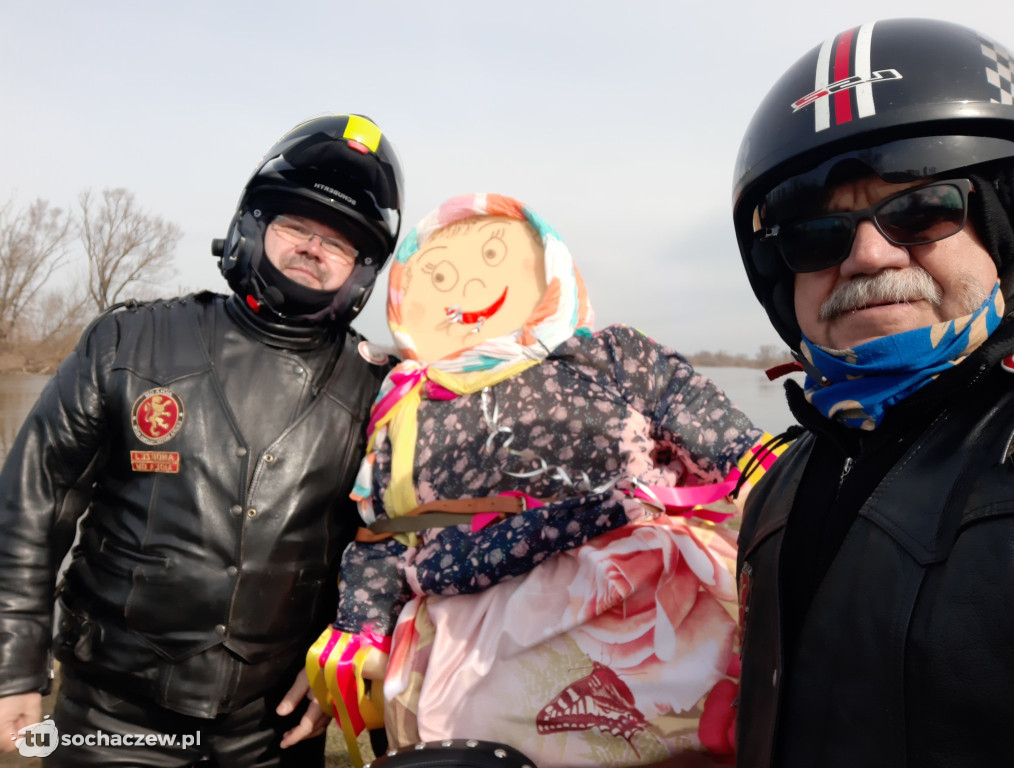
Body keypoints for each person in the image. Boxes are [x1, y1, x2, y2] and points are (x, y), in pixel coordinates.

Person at [306, 193, 785, 767]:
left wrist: (784, 485)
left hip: (648, 598)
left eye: (494, 255)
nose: (468, 288)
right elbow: (390, 531)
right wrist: (359, 628)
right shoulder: (405, 408)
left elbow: (729, 444)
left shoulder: (608, 357)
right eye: (437, 274)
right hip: (468, 639)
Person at [0, 113, 403, 766]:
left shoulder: (381, 389)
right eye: (297, 225)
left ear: (361, 270)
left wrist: (351, 648)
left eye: (340, 242)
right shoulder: (131, 342)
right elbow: (31, 505)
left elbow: (396, 542)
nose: (313, 247)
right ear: (254, 224)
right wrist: (12, 664)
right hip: (110, 718)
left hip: (275, 727)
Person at [731, 17, 1014, 767]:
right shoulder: (779, 485)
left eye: (921, 208)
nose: (866, 254)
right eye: (815, 234)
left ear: (1005, 229)